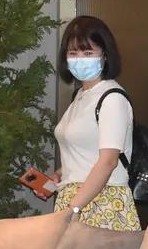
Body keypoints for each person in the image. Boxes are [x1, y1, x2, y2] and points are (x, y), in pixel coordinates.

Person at [52, 16, 138, 231]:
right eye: (73, 53)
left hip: (101, 204)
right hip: (76, 201)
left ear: (105, 55)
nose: (80, 59)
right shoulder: (81, 95)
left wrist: (73, 209)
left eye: (88, 53)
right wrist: (61, 174)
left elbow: (108, 162)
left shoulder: (112, 97)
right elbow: (86, 152)